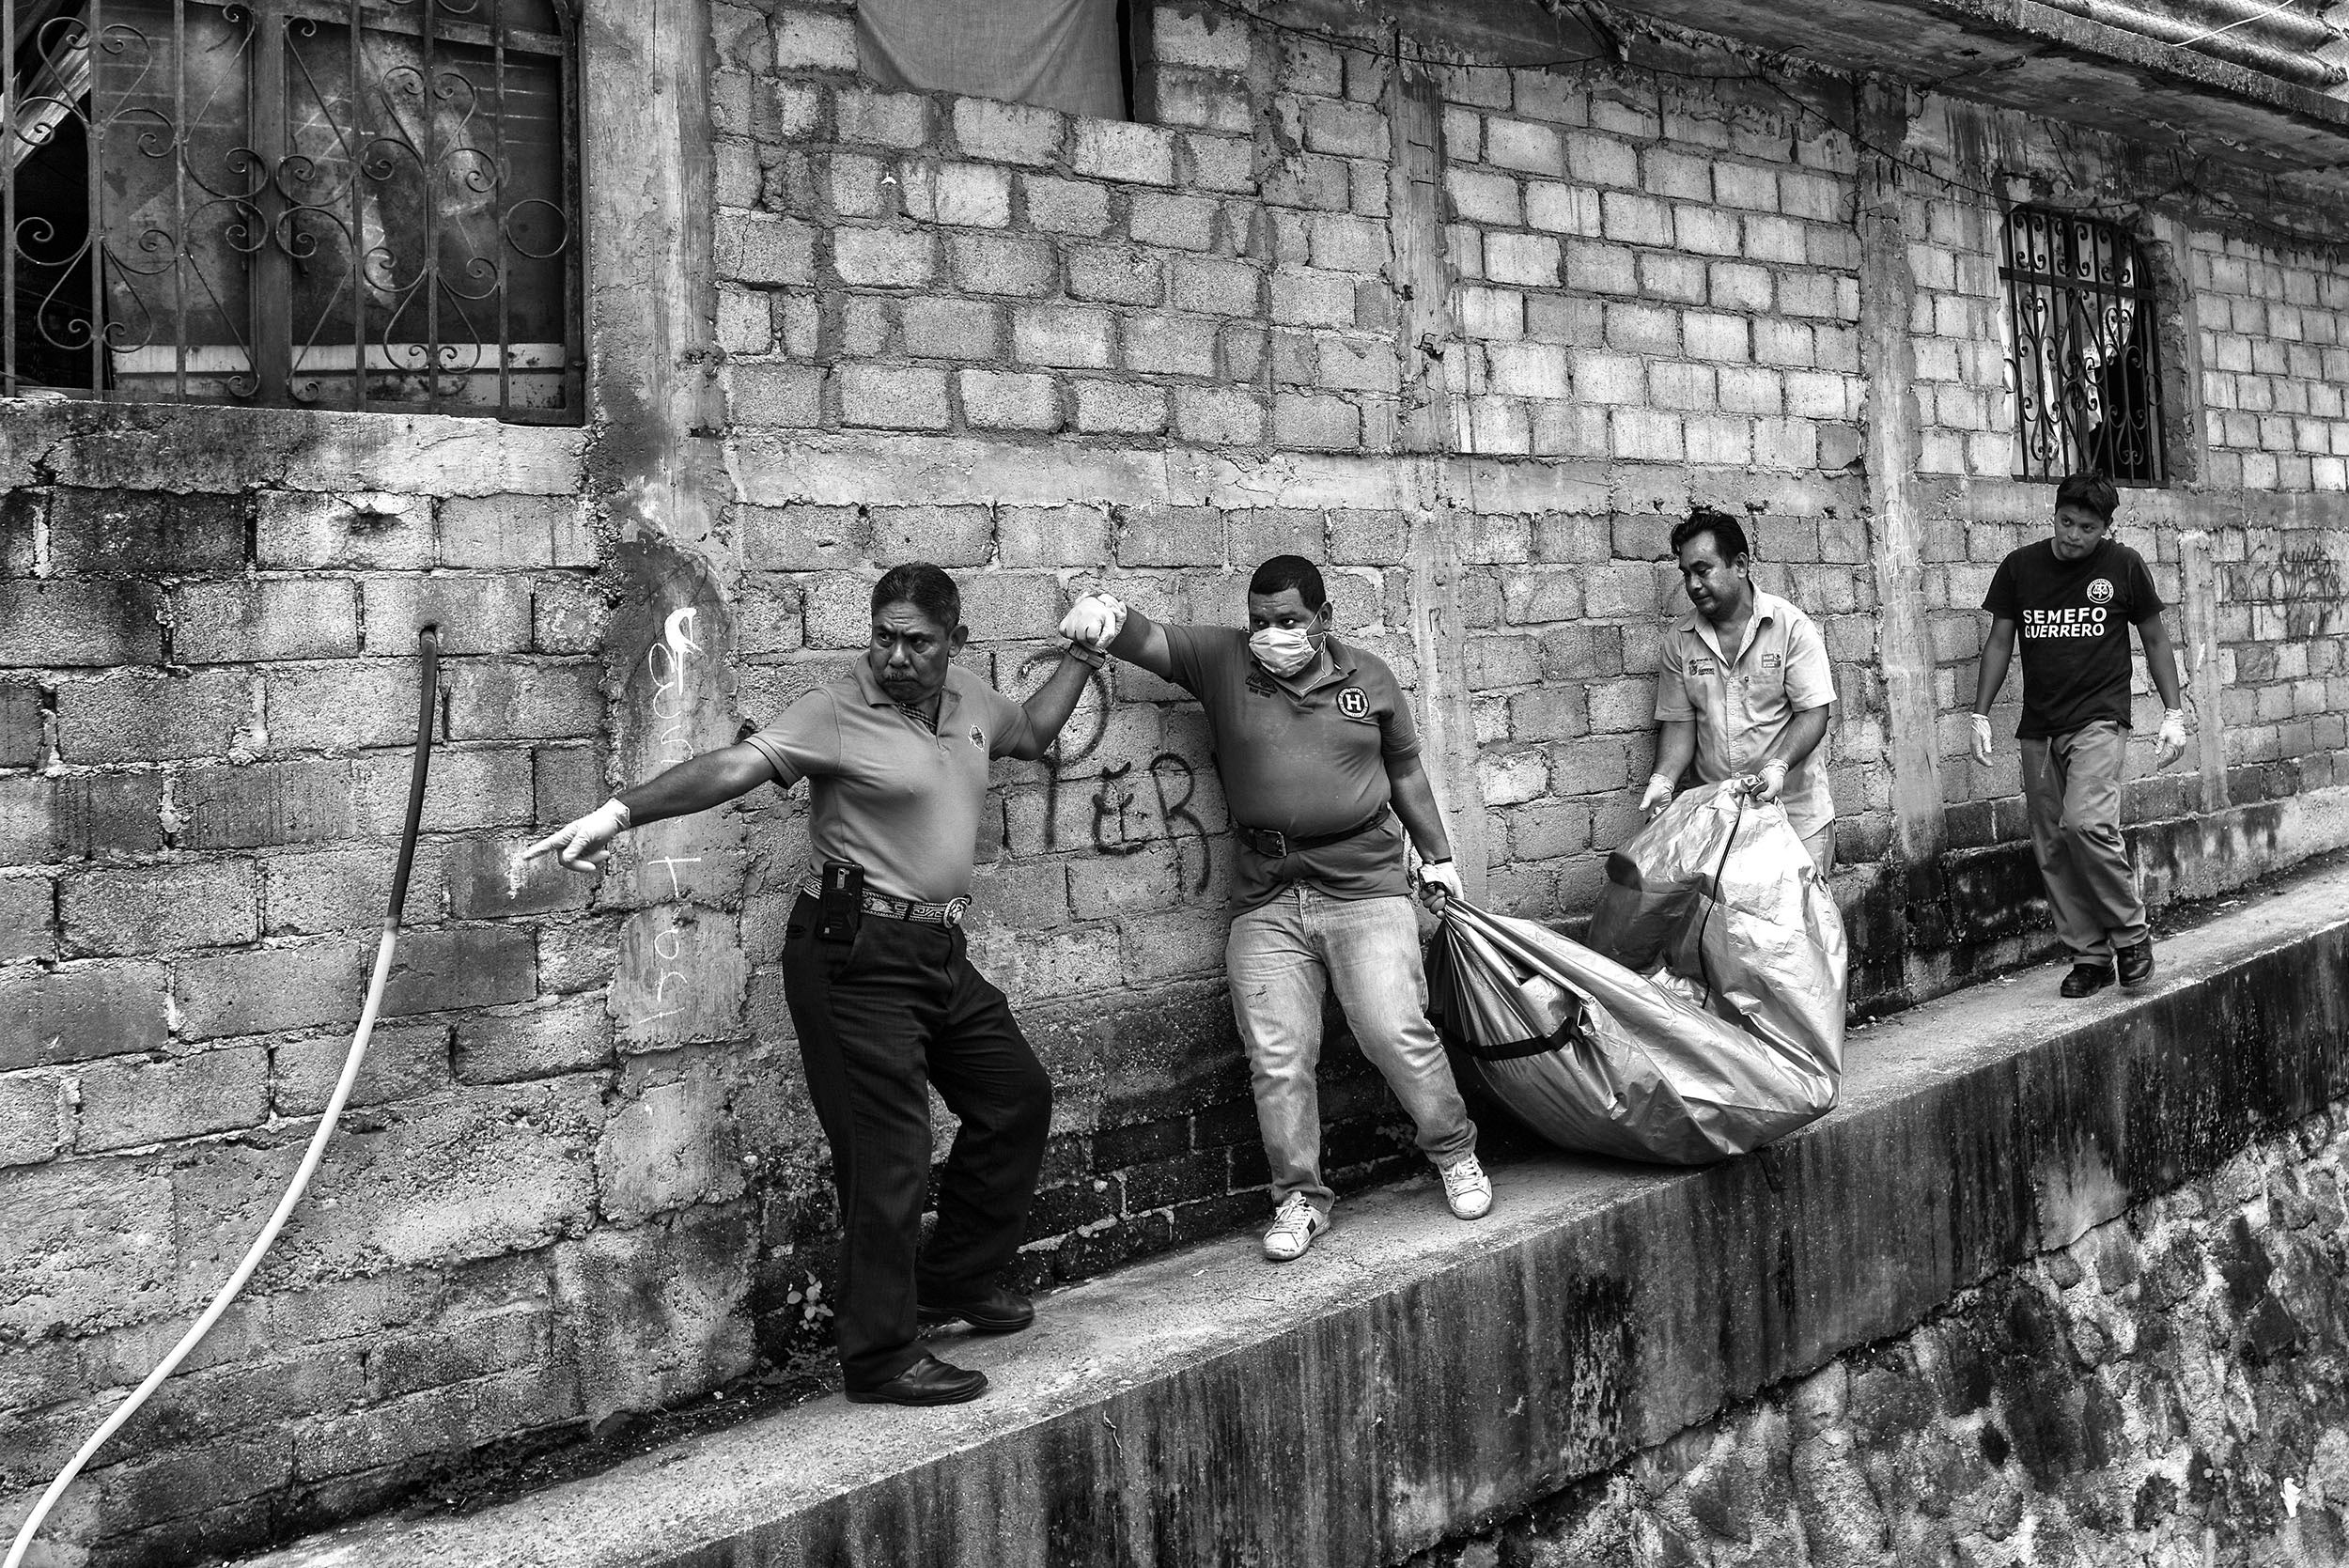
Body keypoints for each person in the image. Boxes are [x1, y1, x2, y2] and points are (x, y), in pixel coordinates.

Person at [524, 564, 1096, 1406]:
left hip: (938, 950)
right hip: (852, 952)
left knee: (1016, 1096)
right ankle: (879, 1356)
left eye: (919, 642)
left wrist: (1086, 654)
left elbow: (1035, 730)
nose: (896, 656)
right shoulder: (834, 711)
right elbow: (732, 768)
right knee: (887, 1155)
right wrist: (619, 813)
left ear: (955, 643)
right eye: (884, 637)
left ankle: (957, 1275)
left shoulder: (973, 702)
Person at [1058, 556, 1490, 1265]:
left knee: (1393, 1030)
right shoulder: (1222, 659)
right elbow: (1147, 639)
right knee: (1279, 1056)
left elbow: (1406, 769)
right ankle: (1299, 1198)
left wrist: (1436, 854)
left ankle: (1455, 1153)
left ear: (1324, 618)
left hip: (1364, 882)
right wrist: (1103, 616)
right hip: (1266, 894)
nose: (1272, 633)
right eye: (1261, 620)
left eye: (1289, 621)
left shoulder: (1369, 678)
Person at [1968, 472, 2186, 998]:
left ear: (2106, 529)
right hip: (2039, 729)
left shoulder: (2123, 565)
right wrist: (1979, 714)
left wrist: (2174, 712)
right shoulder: (2021, 568)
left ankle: (2131, 937)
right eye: (2066, 522)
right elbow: (2000, 643)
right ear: (2056, 513)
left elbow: (2154, 639)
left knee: (2087, 824)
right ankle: (2090, 956)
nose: (2072, 536)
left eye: (2086, 528)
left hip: (2098, 719)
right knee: (2053, 845)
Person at [1640, 507, 1839, 873]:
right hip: (1721, 824)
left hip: (1794, 818)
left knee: (1802, 928)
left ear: (1741, 565)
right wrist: (1663, 779)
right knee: (1730, 929)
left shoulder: (1790, 628)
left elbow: (1815, 713)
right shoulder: (1681, 641)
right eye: (1686, 574)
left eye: (1703, 571)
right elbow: (1681, 724)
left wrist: (1778, 766)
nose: (1693, 585)